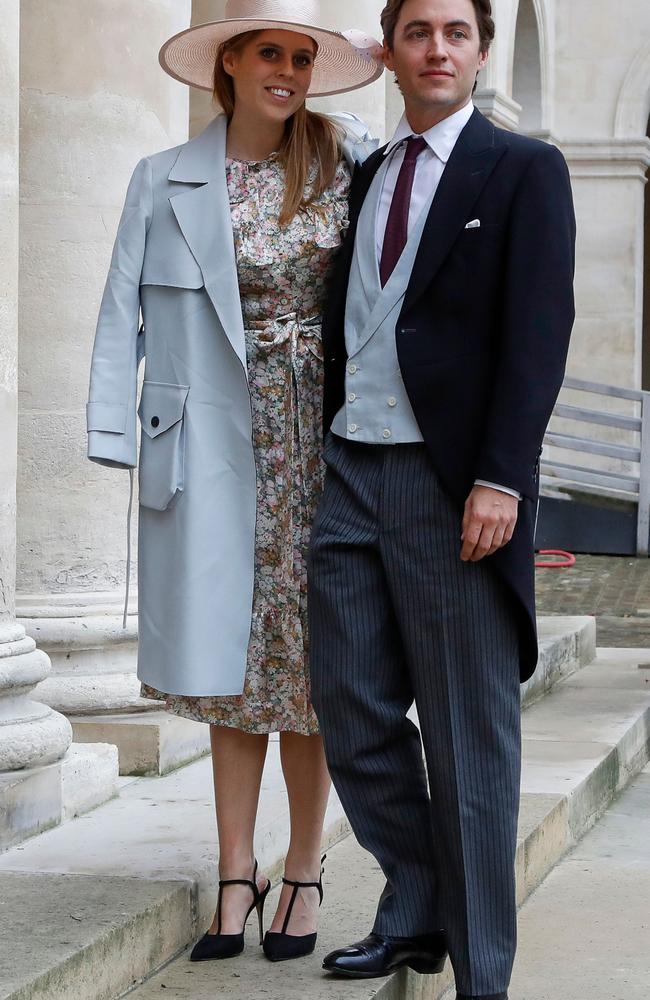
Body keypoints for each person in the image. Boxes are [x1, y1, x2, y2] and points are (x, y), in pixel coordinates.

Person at [86, 0, 381, 966]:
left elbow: (430, 163)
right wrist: (112, 435)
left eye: (303, 56)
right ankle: (233, 870)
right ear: (230, 66)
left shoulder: (351, 162)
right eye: (270, 52)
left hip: (323, 443)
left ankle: (303, 867)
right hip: (209, 439)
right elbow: (117, 309)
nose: (288, 70)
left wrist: (380, 54)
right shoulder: (159, 177)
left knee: (308, 668)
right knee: (229, 671)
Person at [308, 0, 576, 997]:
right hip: (350, 468)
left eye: (453, 33)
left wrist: (501, 476)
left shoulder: (523, 169)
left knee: (468, 737)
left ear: (478, 50)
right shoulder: (372, 173)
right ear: (389, 49)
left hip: (451, 480)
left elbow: (536, 330)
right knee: (347, 703)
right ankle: (414, 897)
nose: (435, 49)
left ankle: (480, 972)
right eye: (416, 31)